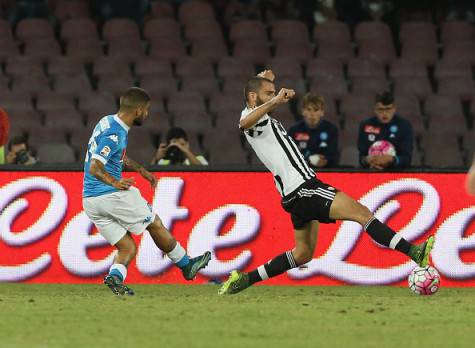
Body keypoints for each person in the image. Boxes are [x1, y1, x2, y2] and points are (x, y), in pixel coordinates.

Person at [218, 70, 434, 295]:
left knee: (303, 254)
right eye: (268, 93)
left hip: (296, 193)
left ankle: (245, 279)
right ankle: (414, 252)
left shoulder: (258, 115)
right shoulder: (252, 120)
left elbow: (254, 104)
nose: (274, 96)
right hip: (303, 189)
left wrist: (266, 83)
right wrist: (274, 98)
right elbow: (244, 122)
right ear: (253, 97)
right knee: (362, 213)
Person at [82, 87, 211, 296]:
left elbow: (116, 157)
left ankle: (115, 277)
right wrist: (114, 182)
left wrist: (142, 170)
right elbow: (95, 166)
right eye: (147, 110)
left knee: (127, 248)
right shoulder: (116, 133)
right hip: (110, 195)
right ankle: (186, 265)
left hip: (90, 200)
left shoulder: (107, 122)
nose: (147, 114)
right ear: (138, 110)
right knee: (155, 223)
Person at [357, 92, 414, 170]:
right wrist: (367, 160)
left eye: (388, 109)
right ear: (375, 110)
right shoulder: (366, 125)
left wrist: (391, 160)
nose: (384, 113)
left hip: (396, 175)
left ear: (394, 109)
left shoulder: (404, 126)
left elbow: (407, 159)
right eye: (380, 109)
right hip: (371, 172)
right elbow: (361, 158)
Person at [288, 93, 338, 168]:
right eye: (308, 109)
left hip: (326, 171)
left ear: (322, 112)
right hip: (300, 172)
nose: (312, 114)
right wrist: (307, 160)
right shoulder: (294, 130)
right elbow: (289, 155)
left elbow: (333, 156)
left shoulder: (331, 129)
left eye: (316, 110)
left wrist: (326, 160)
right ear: (303, 111)